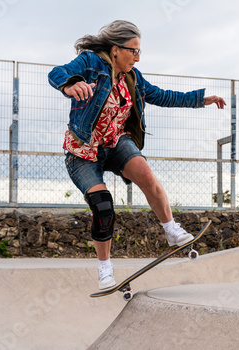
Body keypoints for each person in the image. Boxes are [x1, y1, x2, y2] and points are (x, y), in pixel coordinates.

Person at [48, 20, 226, 290]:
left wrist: (201, 100)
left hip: (115, 142)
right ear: (115, 49)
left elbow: (163, 96)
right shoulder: (91, 63)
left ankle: (171, 231)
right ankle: (105, 269)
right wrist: (70, 85)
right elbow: (58, 72)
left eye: (139, 52)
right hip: (83, 151)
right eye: (134, 51)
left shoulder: (134, 77)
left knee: (146, 174)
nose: (137, 57)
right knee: (103, 205)